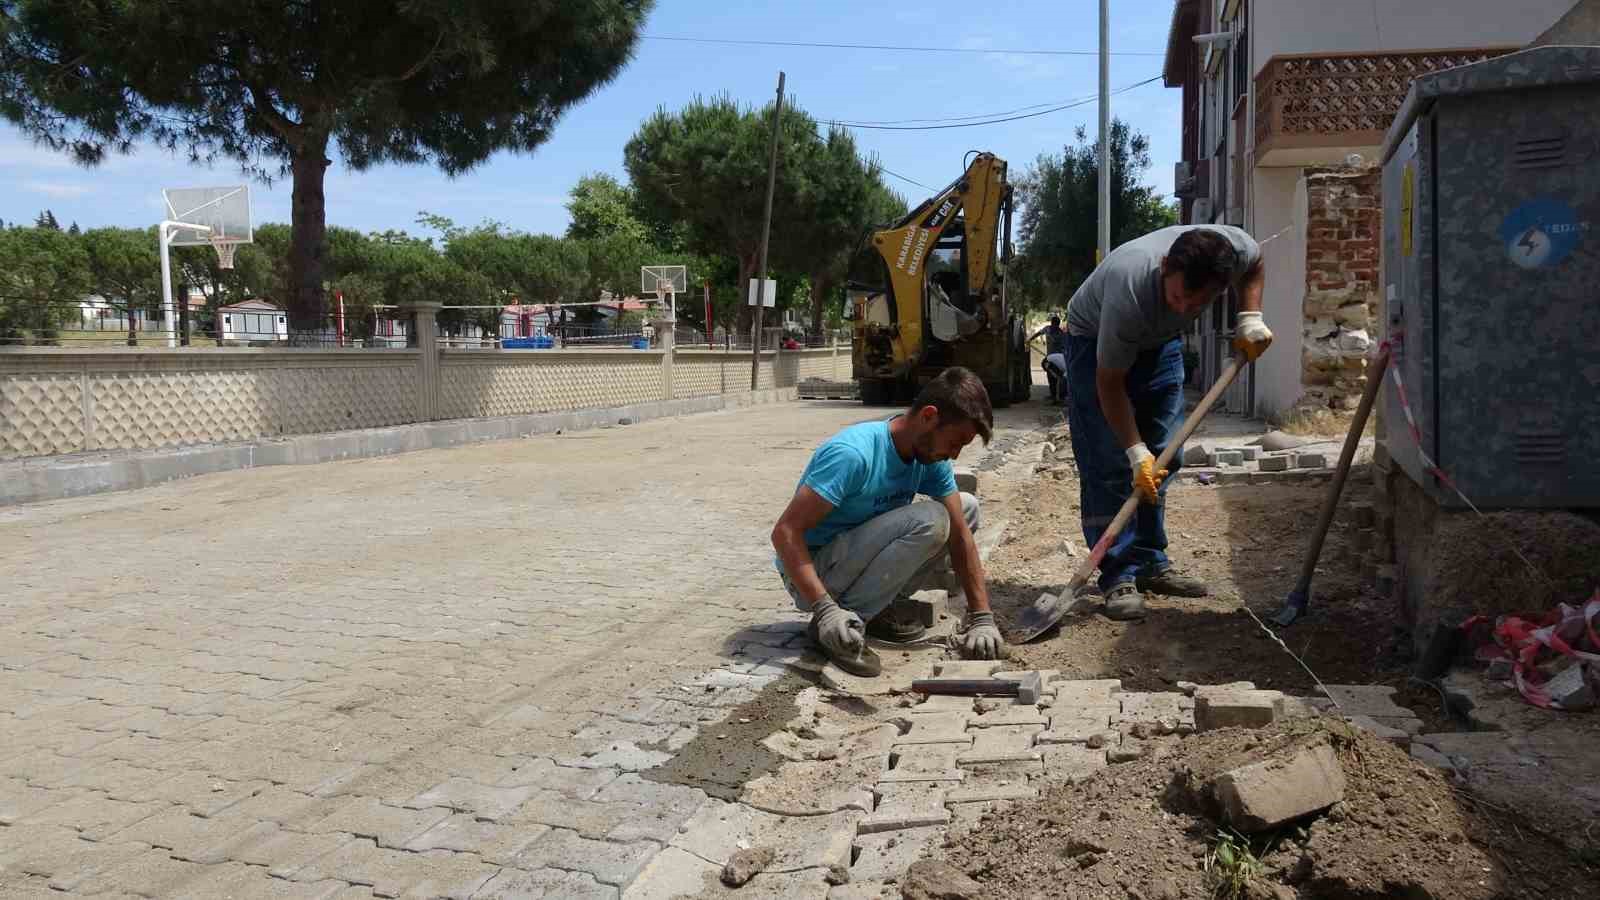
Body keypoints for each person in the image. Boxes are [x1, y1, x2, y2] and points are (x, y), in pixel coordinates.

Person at [1064, 225, 1273, 620]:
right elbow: (1109, 385)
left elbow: (1256, 262)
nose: (1183, 308)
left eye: (1197, 303)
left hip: (1160, 344)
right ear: (1164, 267)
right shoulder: (1129, 290)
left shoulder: (1233, 251)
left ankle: (1149, 561)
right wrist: (1134, 450)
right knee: (1109, 463)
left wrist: (1250, 316)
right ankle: (1118, 575)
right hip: (1094, 343)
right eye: (1178, 296)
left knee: (1164, 457)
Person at [771, 367, 1002, 675]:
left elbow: (961, 534)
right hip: (814, 571)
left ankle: (876, 608)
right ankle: (840, 624)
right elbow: (785, 533)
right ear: (929, 416)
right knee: (933, 518)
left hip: (856, 560)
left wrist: (982, 617)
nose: (955, 455)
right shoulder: (853, 454)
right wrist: (825, 609)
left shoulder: (929, 456)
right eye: (955, 442)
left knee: (965, 508)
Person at [1031, 313, 1069, 402]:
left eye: (1055, 325)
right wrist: (1030, 340)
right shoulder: (1047, 329)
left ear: (1057, 325)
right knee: (1051, 377)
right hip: (1050, 358)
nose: (1054, 326)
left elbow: (1065, 347)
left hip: (1057, 360)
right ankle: (1054, 395)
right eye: (1053, 324)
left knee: (1058, 378)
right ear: (1051, 323)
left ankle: (1058, 397)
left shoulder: (1061, 334)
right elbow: (1038, 333)